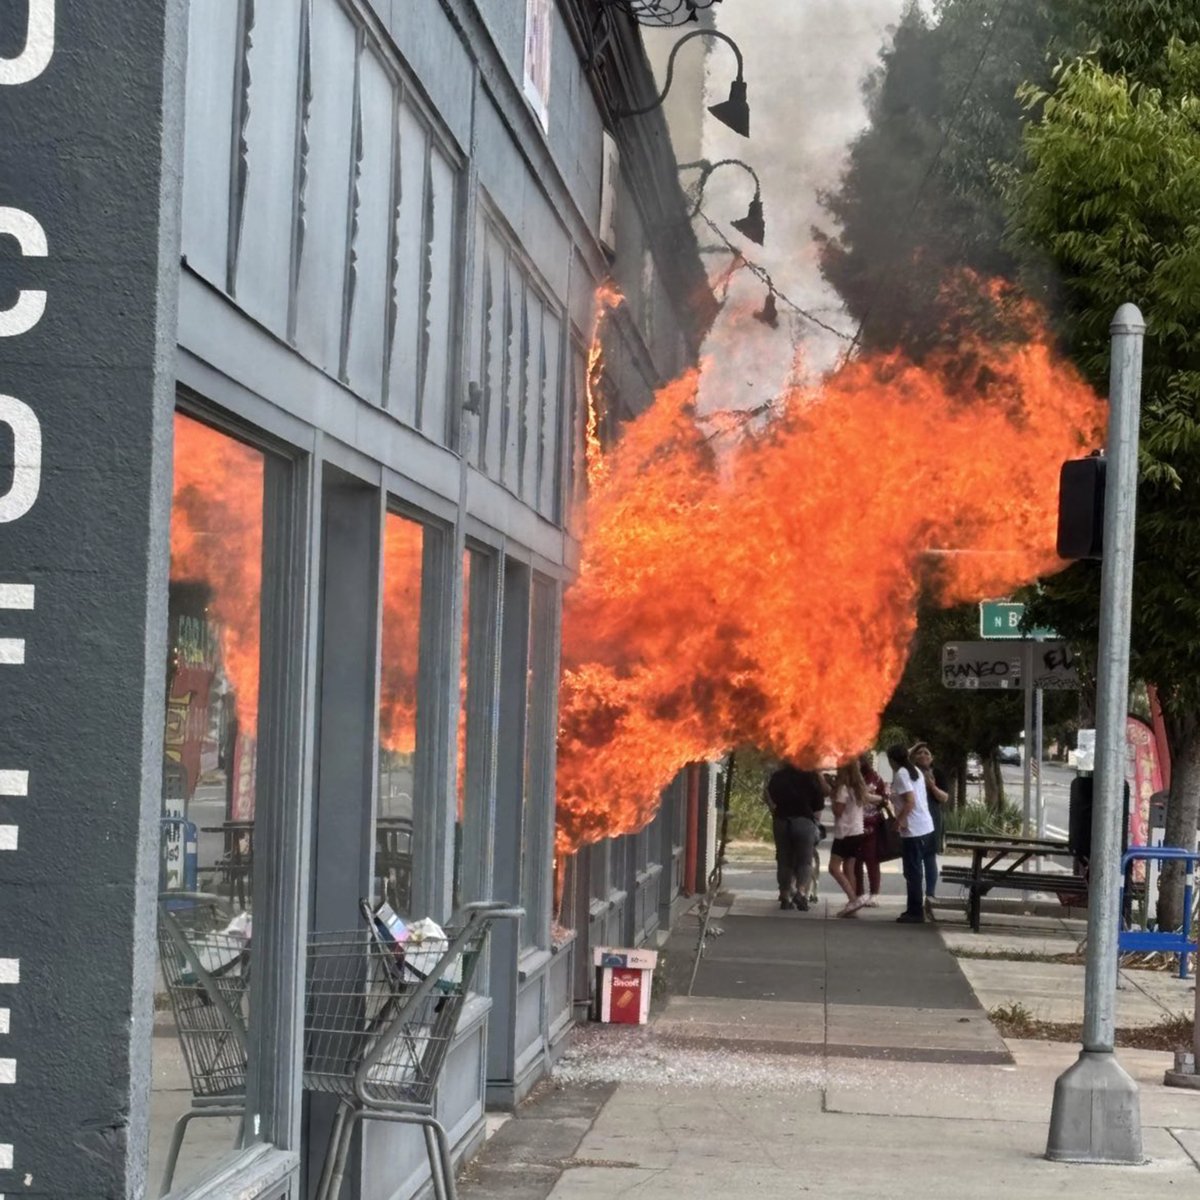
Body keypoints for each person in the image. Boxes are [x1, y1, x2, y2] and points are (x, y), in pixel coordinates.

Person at [764, 762, 828, 911]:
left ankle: (785, 896)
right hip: (803, 821)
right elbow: (819, 803)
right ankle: (801, 892)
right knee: (805, 861)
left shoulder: (778, 776)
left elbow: (769, 795)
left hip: (781, 821)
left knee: (784, 860)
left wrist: (776, 809)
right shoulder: (811, 777)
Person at [886, 743, 937, 924]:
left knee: (912, 871)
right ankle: (913, 908)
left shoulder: (902, 773)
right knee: (914, 870)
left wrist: (898, 821)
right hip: (924, 826)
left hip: (914, 829)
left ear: (892, 760)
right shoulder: (913, 769)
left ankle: (915, 912)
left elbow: (910, 800)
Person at [911, 741, 950, 917]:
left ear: (932, 758)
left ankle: (930, 895)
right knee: (915, 860)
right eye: (919, 753)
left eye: (926, 753)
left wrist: (932, 786)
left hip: (933, 818)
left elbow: (944, 798)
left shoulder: (938, 773)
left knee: (930, 857)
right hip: (915, 819)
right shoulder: (910, 773)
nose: (923, 756)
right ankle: (916, 899)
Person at [828, 759, 871, 917]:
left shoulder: (843, 789)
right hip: (857, 831)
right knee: (849, 868)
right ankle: (852, 905)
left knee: (834, 868)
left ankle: (853, 899)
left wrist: (833, 799)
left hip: (844, 833)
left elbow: (838, 811)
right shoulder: (858, 788)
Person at [856, 753, 888, 905]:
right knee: (855, 860)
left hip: (871, 823)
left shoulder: (875, 778)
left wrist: (876, 799)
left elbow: (884, 799)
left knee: (871, 859)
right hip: (854, 823)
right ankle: (858, 893)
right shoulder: (849, 778)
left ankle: (874, 893)